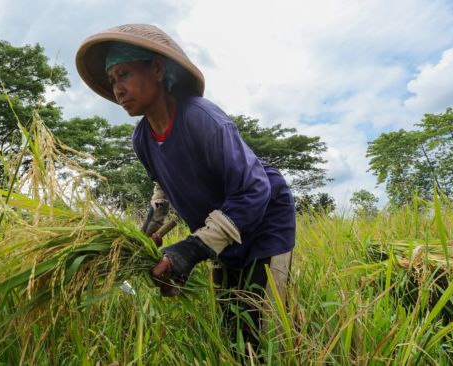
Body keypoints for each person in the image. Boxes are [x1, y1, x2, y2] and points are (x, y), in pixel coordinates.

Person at [76, 24, 296, 348]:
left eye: (123, 74)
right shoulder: (142, 139)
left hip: (264, 220)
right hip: (224, 229)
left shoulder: (202, 119)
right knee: (234, 329)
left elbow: (254, 190)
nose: (117, 89)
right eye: (112, 81)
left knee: (267, 334)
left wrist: (190, 251)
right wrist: (143, 241)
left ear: (157, 69)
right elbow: (162, 193)